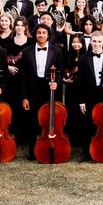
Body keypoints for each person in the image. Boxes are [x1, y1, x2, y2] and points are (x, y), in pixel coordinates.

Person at [20, 23, 65, 157]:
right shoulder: (27, 51)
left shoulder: (56, 51)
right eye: (39, 33)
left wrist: (56, 83)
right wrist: (24, 97)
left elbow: (60, 73)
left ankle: (50, 146)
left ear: (48, 35)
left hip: (49, 90)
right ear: (35, 35)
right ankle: (33, 150)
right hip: (32, 90)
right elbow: (23, 76)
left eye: (44, 33)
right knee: (33, 121)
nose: (41, 35)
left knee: (49, 120)